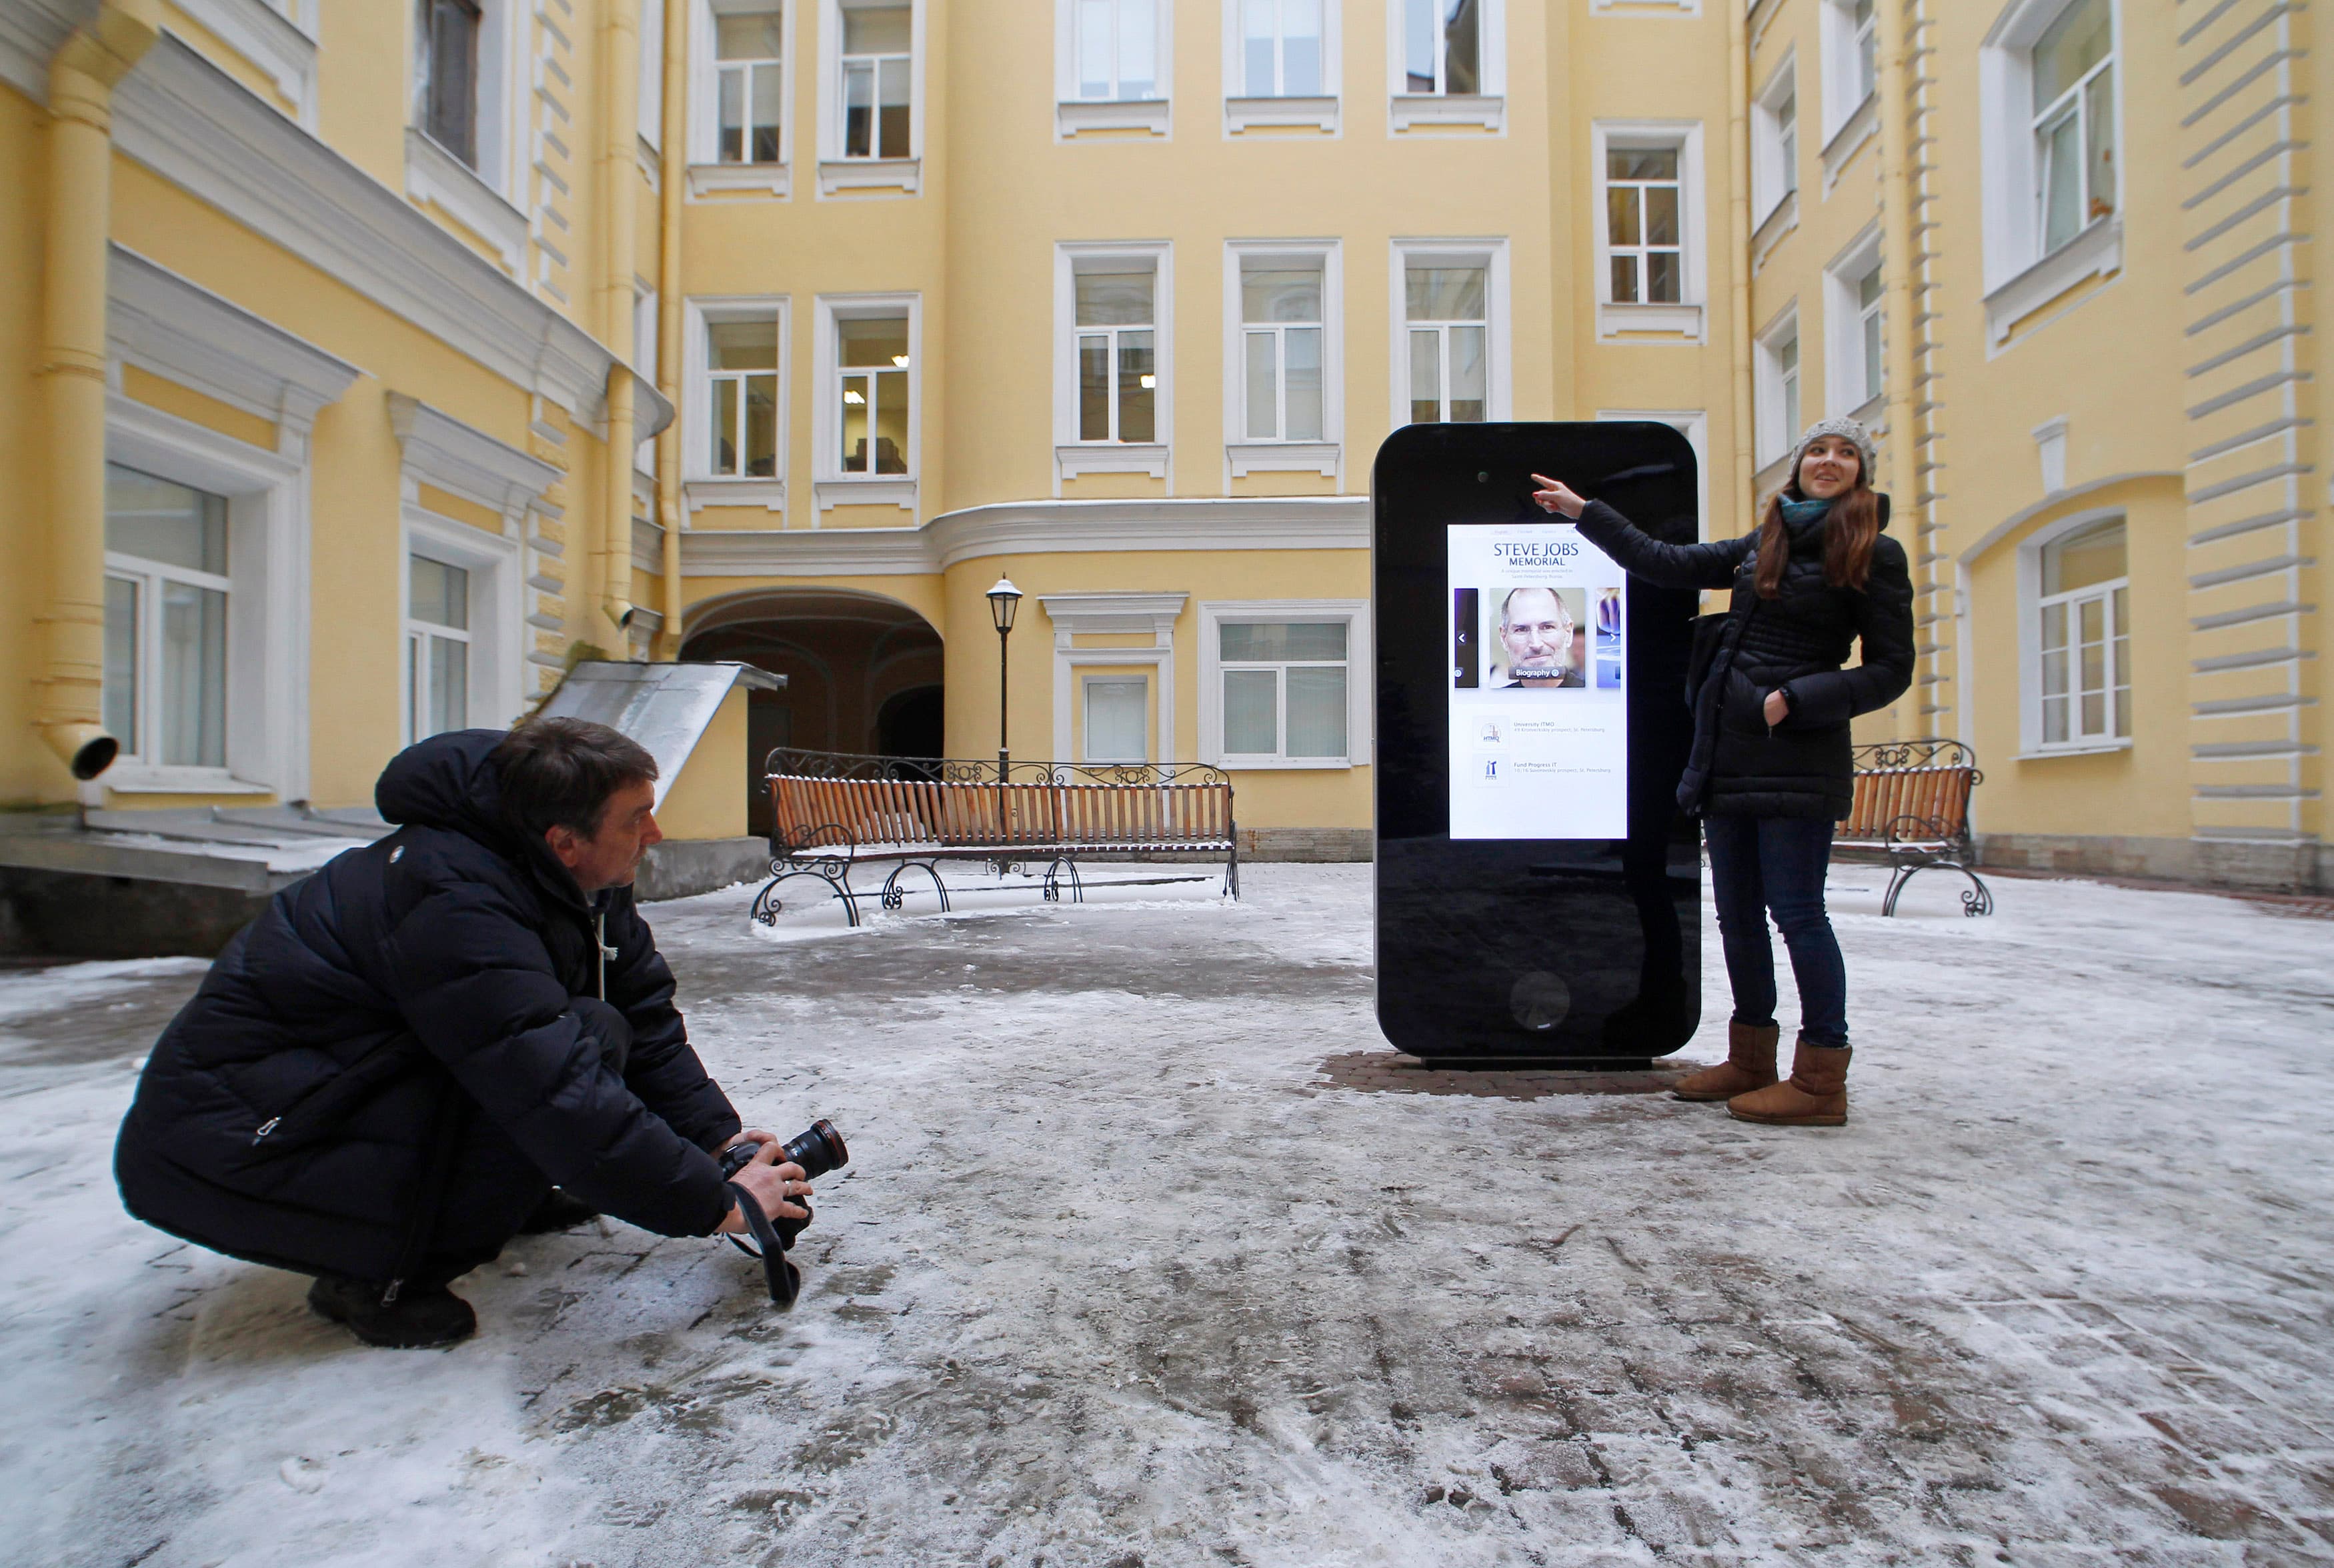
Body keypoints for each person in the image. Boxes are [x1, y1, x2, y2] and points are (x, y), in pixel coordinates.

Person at [114, 717, 812, 1347]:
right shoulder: (452, 900)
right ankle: (377, 1277)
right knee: (545, 1069)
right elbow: (551, 1087)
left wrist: (719, 1141)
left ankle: (505, 1196)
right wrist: (714, 1200)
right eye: (637, 819)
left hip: (335, 1098)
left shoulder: (575, 879)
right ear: (563, 842)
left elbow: (644, 1018)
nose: (655, 835)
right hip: (247, 1143)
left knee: (594, 1025)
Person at [1531, 416, 1913, 1125]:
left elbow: (1892, 669)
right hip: (1726, 755)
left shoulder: (1872, 551)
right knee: (1737, 915)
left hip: (1796, 755)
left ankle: (1820, 1078)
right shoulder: (1762, 545)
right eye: (1816, 451)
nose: (1828, 461)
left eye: (1845, 453)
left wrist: (1795, 699)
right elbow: (1664, 561)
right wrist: (1586, 513)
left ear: (1861, 472)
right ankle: (1750, 1057)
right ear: (1795, 467)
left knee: (1797, 913)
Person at [1496, 586, 1585, 688]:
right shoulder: (1495, 702)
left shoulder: (1595, 699)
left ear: (1568, 634)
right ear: (1504, 639)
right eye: (1521, 629)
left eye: (1547, 627)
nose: (1536, 644)